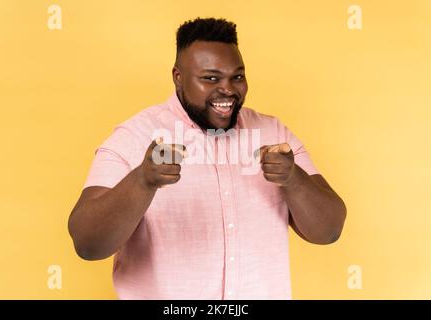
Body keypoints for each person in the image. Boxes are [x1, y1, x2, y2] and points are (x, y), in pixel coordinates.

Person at [68, 17, 346, 300]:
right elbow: (88, 244)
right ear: (178, 77)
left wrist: (293, 179)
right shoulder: (134, 137)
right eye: (210, 78)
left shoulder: (272, 133)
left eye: (237, 77)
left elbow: (329, 231)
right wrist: (142, 182)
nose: (227, 89)